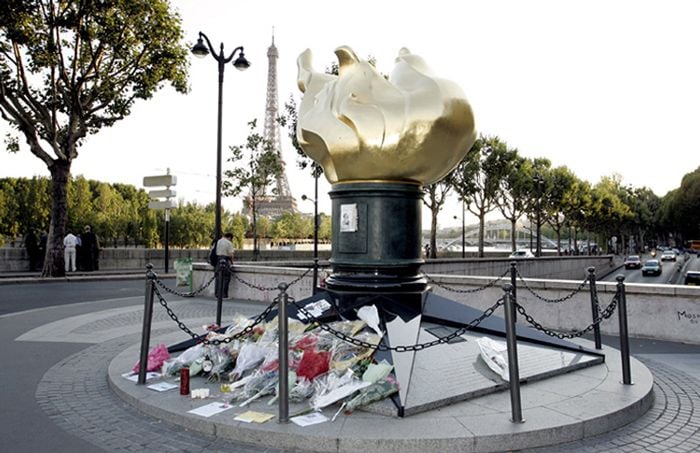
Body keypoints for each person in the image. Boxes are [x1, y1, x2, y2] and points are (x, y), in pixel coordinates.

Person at [214, 232, 235, 299]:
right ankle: (224, 295)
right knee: (226, 278)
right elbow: (231, 254)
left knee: (218, 278)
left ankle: (217, 294)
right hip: (225, 260)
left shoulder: (218, 241)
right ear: (230, 237)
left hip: (217, 260)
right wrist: (232, 262)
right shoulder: (229, 243)